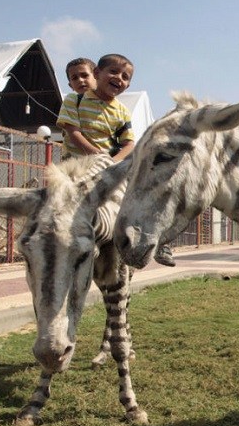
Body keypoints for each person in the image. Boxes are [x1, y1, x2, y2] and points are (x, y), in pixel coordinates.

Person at [57, 54, 176, 267]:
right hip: (75, 167)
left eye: (125, 76)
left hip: (108, 165)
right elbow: (73, 131)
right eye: (113, 72)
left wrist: (114, 162)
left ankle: (161, 240)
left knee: (145, 192)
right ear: (98, 74)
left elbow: (128, 144)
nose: (119, 78)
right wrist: (98, 156)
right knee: (53, 202)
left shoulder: (121, 111)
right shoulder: (74, 101)